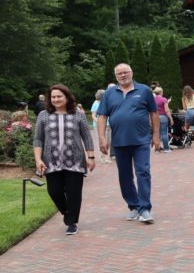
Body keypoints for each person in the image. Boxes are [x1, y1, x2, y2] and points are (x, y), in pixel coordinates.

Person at [96, 63, 160, 224]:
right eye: (119, 73)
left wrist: (156, 135)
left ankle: (145, 208)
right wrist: (102, 138)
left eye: (125, 72)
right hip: (119, 141)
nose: (123, 75)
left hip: (141, 140)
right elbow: (102, 117)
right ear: (116, 76)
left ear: (131, 73)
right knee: (124, 176)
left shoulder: (144, 90)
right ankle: (134, 206)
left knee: (143, 172)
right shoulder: (109, 94)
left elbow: (154, 113)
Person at [32, 84, 96, 235]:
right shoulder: (43, 115)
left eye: (59, 96)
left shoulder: (78, 114)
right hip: (51, 161)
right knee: (54, 191)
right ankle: (66, 211)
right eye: (53, 97)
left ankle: (72, 222)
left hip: (75, 160)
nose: (56, 99)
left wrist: (91, 157)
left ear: (67, 97)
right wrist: (38, 160)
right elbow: (38, 140)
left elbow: (87, 137)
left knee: (74, 193)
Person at [153, 87, 174, 153]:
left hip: (155, 117)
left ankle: (157, 148)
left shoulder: (152, 99)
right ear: (161, 92)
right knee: (164, 133)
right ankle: (166, 148)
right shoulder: (163, 99)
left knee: (156, 133)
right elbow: (167, 110)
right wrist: (171, 119)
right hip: (163, 117)